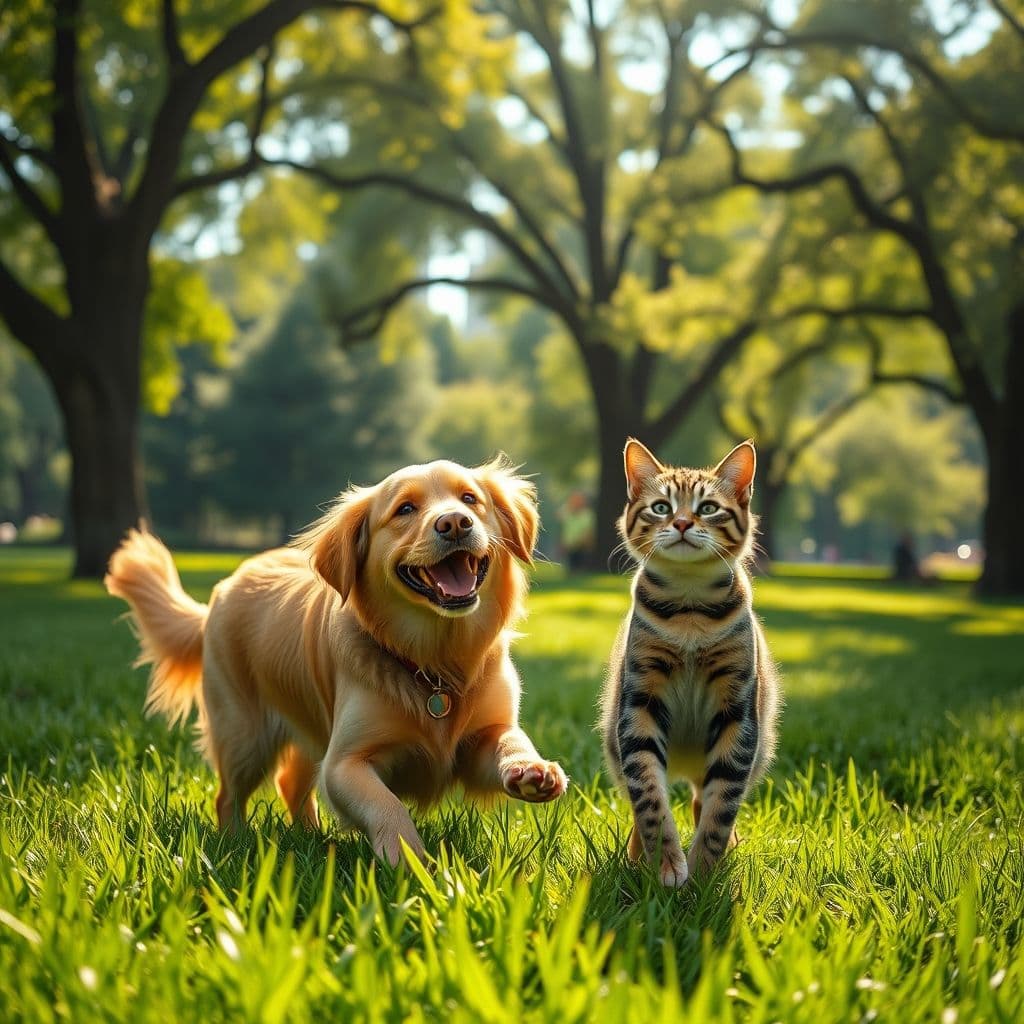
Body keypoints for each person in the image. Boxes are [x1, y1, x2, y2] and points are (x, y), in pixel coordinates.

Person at [558, 490, 595, 573]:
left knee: (581, 569)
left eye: (579, 500)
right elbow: (558, 515)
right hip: (569, 546)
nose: (576, 502)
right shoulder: (568, 513)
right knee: (571, 569)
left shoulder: (587, 515)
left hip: (581, 546)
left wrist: (580, 542)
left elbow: (588, 532)